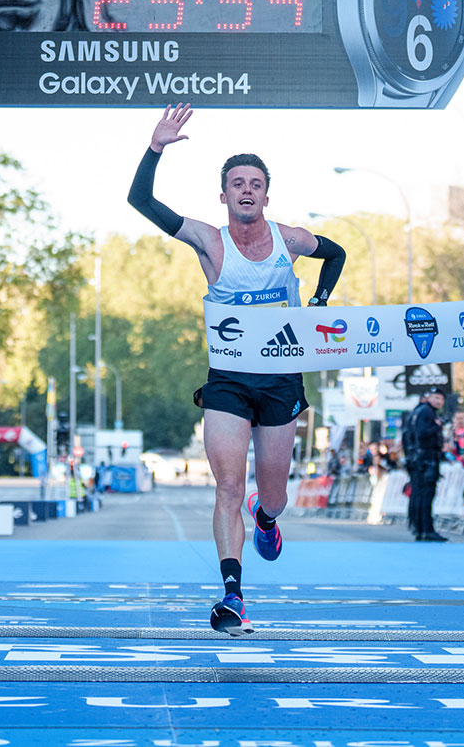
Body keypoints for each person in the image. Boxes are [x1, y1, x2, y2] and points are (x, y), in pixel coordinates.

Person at [126, 103, 347, 636]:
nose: (246, 191)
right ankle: (232, 597)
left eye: (255, 183)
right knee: (228, 486)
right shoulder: (209, 239)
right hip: (226, 379)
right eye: (236, 184)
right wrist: (155, 146)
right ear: (222, 195)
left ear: (266, 194)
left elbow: (336, 253)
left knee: (271, 496)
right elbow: (139, 201)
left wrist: (318, 302)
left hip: (281, 380)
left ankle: (268, 518)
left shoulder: (288, 240)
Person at [403, 391, 449, 541]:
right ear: (427, 398)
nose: (439, 401)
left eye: (441, 398)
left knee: (420, 494)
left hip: (419, 459)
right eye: (436, 397)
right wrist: (437, 427)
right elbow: (421, 434)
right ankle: (425, 529)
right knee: (426, 495)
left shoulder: (418, 412)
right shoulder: (426, 412)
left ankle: (420, 528)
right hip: (425, 459)